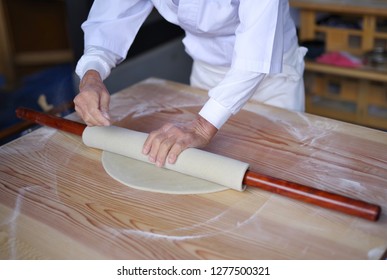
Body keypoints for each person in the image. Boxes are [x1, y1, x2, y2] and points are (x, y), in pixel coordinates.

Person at [74, 0, 307, 167]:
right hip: (207, 72)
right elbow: (110, 19)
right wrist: (92, 76)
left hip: (271, 77)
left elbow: (256, 55)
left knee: (278, 168)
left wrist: (201, 127)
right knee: (204, 167)